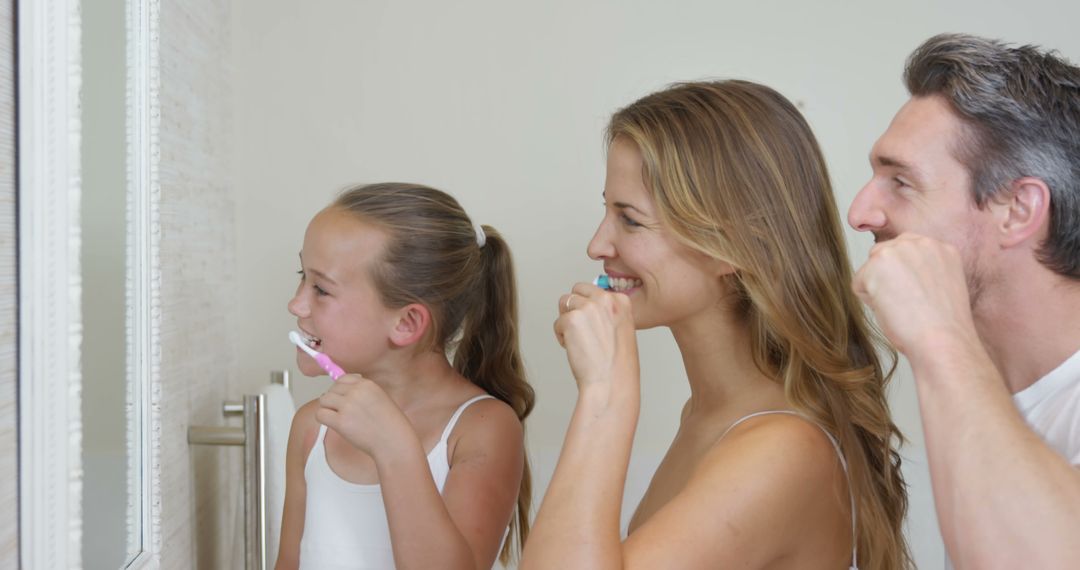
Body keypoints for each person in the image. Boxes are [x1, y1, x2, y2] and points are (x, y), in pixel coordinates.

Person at [521, 81, 911, 569]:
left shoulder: (781, 450)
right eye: (607, 211)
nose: (598, 245)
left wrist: (605, 394)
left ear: (730, 245)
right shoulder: (710, 415)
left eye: (631, 220)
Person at [849, 33, 1080, 569]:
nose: (860, 212)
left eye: (900, 182)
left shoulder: (955, 368)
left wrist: (938, 335)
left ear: (1018, 210)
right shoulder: (984, 394)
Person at [275, 183, 534, 569]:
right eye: (302, 276)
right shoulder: (312, 428)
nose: (296, 303)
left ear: (406, 322)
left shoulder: (483, 429)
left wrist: (394, 448)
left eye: (322, 290)